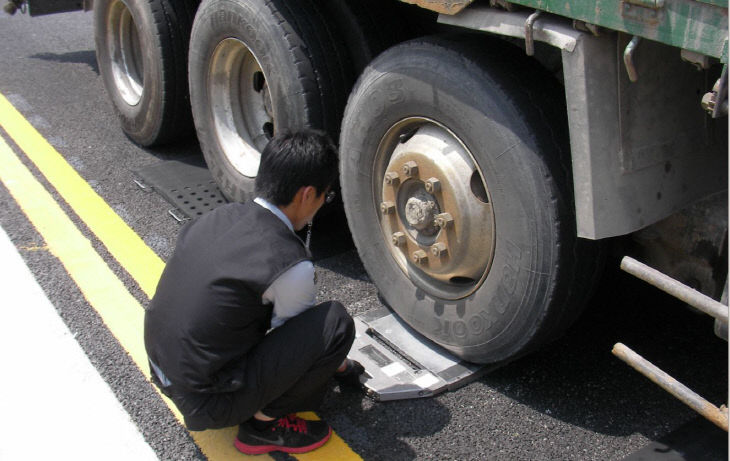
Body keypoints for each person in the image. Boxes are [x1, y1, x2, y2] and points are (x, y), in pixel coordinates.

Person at [144, 130, 363, 455]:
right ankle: (262, 426)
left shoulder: (216, 217)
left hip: (162, 368)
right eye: (324, 196)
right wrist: (339, 365)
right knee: (335, 325)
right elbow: (299, 341)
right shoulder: (288, 264)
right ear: (307, 195)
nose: (321, 204)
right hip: (208, 401)